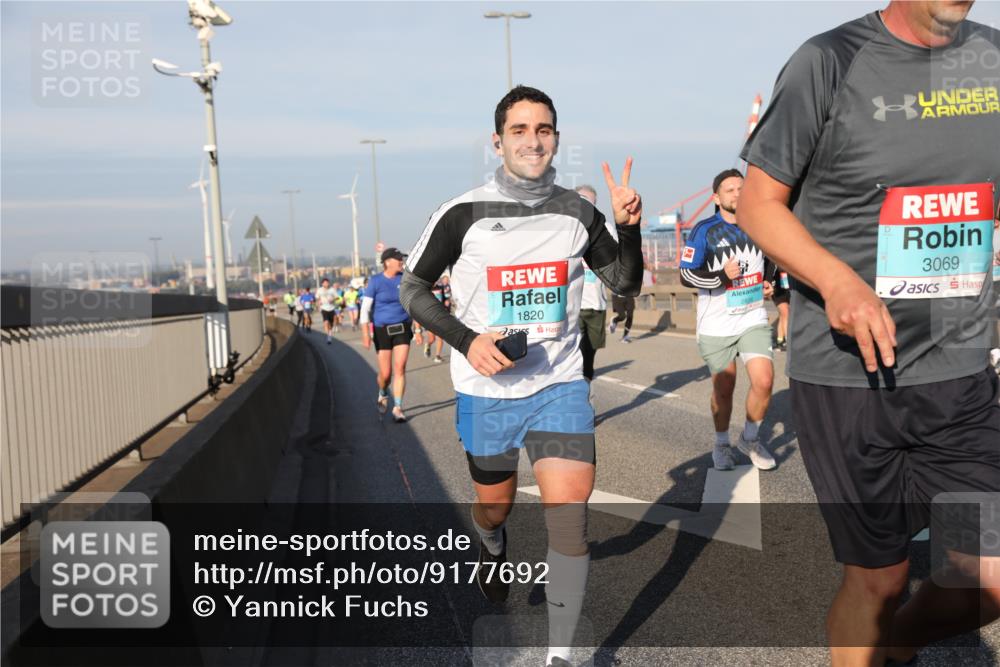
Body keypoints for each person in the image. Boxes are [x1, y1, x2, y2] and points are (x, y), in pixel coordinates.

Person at [737, 2, 1000, 663]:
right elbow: (758, 205)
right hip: (848, 378)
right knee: (879, 580)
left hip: (959, 369)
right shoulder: (829, 61)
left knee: (991, 576)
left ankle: (894, 644)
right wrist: (837, 281)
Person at [400, 85, 643, 667]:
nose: (533, 141)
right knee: (495, 508)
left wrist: (628, 228)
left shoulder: (578, 212)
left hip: (559, 384)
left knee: (568, 516)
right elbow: (412, 289)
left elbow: (625, 283)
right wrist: (468, 340)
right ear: (498, 141)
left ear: (556, 138)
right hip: (487, 391)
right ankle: (491, 545)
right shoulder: (462, 213)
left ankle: (562, 655)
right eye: (520, 130)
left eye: (543, 129)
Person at [679, 169, 777, 472]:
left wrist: (769, 280)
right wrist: (721, 276)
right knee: (725, 387)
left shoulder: (759, 221)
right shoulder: (704, 230)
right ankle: (721, 443)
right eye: (729, 189)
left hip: (752, 316)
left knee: (764, 380)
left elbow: (772, 256)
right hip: (716, 323)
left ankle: (750, 439)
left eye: (740, 188)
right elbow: (686, 274)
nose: (737, 193)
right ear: (716, 197)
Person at [360, 248, 422, 423]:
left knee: (400, 367)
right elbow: (365, 309)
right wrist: (365, 334)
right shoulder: (375, 281)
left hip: (402, 327)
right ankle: (382, 392)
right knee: (386, 374)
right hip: (382, 330)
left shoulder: (405, 279)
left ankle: (398, 408)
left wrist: (418, 330)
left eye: (402, 258)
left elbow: (413, 306)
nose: (401, 261)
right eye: (398, 259)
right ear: (387, 262)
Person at [575, 184, 617, 385]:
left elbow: (617, 263)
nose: (585, 205)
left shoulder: (606, 227)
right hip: (572, 304)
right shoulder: (563, 227)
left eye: (589, 202)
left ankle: (585, 388)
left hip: (596, 303)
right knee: (573, 352)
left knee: (589, 353)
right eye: (581, 200)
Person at [772, 267, 791, 351]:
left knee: (782, 315)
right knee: (786, 312)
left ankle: (780, 340)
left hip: (786, 288)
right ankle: (788, 341)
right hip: (777, 289)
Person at [317, 278, 338, 344]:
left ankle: (330, 332)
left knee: (331, 324)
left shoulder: (332, 290)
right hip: (324, 308)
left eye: (327, 282)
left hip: (331, 308)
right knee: (326, 322)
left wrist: (332, 300)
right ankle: (328, 337)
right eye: (325, 283)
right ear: (322, 284)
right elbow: (317, 298)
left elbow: (337, 297)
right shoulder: (319, 290)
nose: (326, 284)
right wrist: (319, 304)